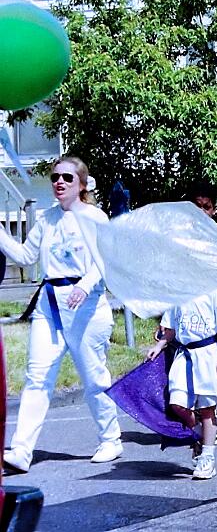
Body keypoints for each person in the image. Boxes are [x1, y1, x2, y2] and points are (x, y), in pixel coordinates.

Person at [0, 156, 123, 473]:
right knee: (37, 376)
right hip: (50, 306)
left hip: (86, 307)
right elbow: (26, 257)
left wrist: (86, 284)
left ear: (81, 184)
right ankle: (22, 450)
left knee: (94, 377)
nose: (59, 182)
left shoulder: (95, 217)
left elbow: (106, 259)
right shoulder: (46, 218)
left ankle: (111, 439)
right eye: (55, 176)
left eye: (67, 178)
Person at [146, 288, 217, 479]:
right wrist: (158, 346)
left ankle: (207, 457)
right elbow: (170, 329)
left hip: (207, 355)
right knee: (177, 404)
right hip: (184, 356)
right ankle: (201, 436)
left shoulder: (215, 293)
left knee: (207, 409)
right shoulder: (177, 292)